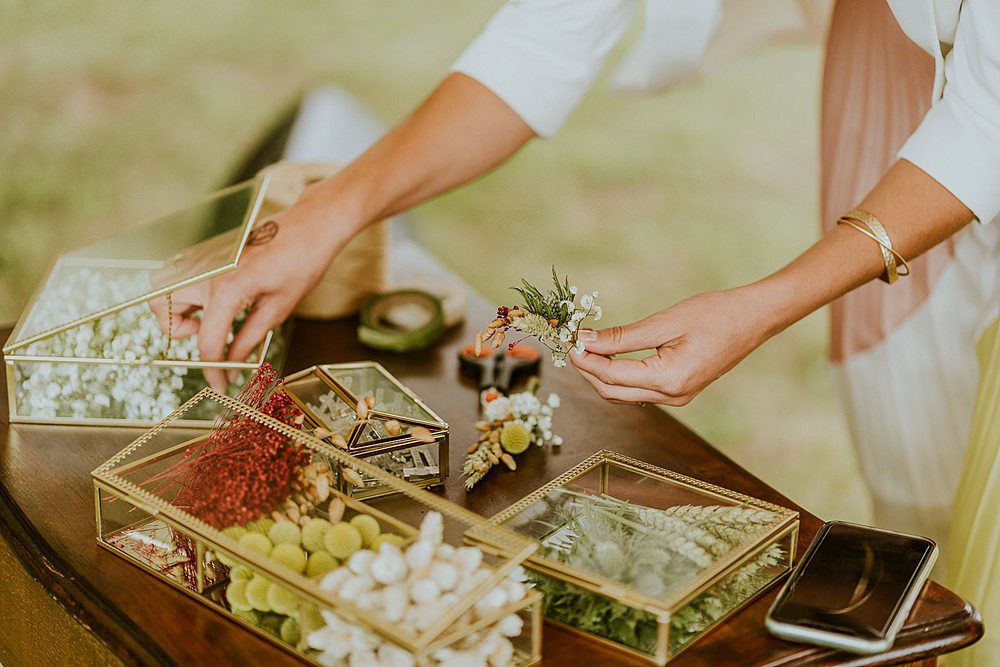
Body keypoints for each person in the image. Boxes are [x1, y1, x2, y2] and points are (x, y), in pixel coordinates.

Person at [155, 1, 999, 660]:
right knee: (914, 461)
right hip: (900, 72)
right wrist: (321, 217)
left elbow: (986, 117)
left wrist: (767, 303)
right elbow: (546, 35)